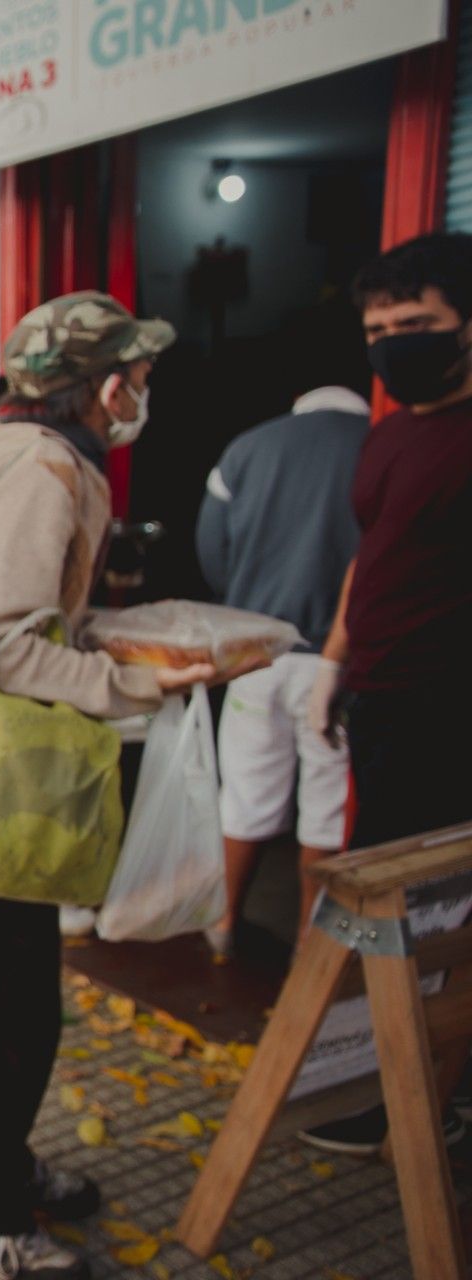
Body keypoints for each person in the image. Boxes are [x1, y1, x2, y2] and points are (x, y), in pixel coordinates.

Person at [0, 292, 224, 1280]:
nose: (142, 395)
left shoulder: (3, 447)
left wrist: (101, 641)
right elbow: (1, 650)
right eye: (140, 377)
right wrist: (137, 681)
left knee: (3, 998)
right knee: (2, 1008)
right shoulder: (42, 468)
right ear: (108, 384)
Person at [297, 232, 472, 1157]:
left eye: (416, 324)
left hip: (451, 719)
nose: (394, 341)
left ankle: (419, 1097)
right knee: (387, 917)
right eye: (378, 327)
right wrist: (334, 659)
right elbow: (374, 557)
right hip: (380, 705)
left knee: (433, 921)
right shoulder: (391, 432)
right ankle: (389, 1083)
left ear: (466, 328)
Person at [195, 382, 368, 954]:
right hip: (337, 665)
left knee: (244, 793)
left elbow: (210, 547)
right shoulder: (379, 446)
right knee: (326, 806)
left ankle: (222, 924)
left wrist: (245, 601)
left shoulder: (247, 448)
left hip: (256, 655)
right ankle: (309, 945)